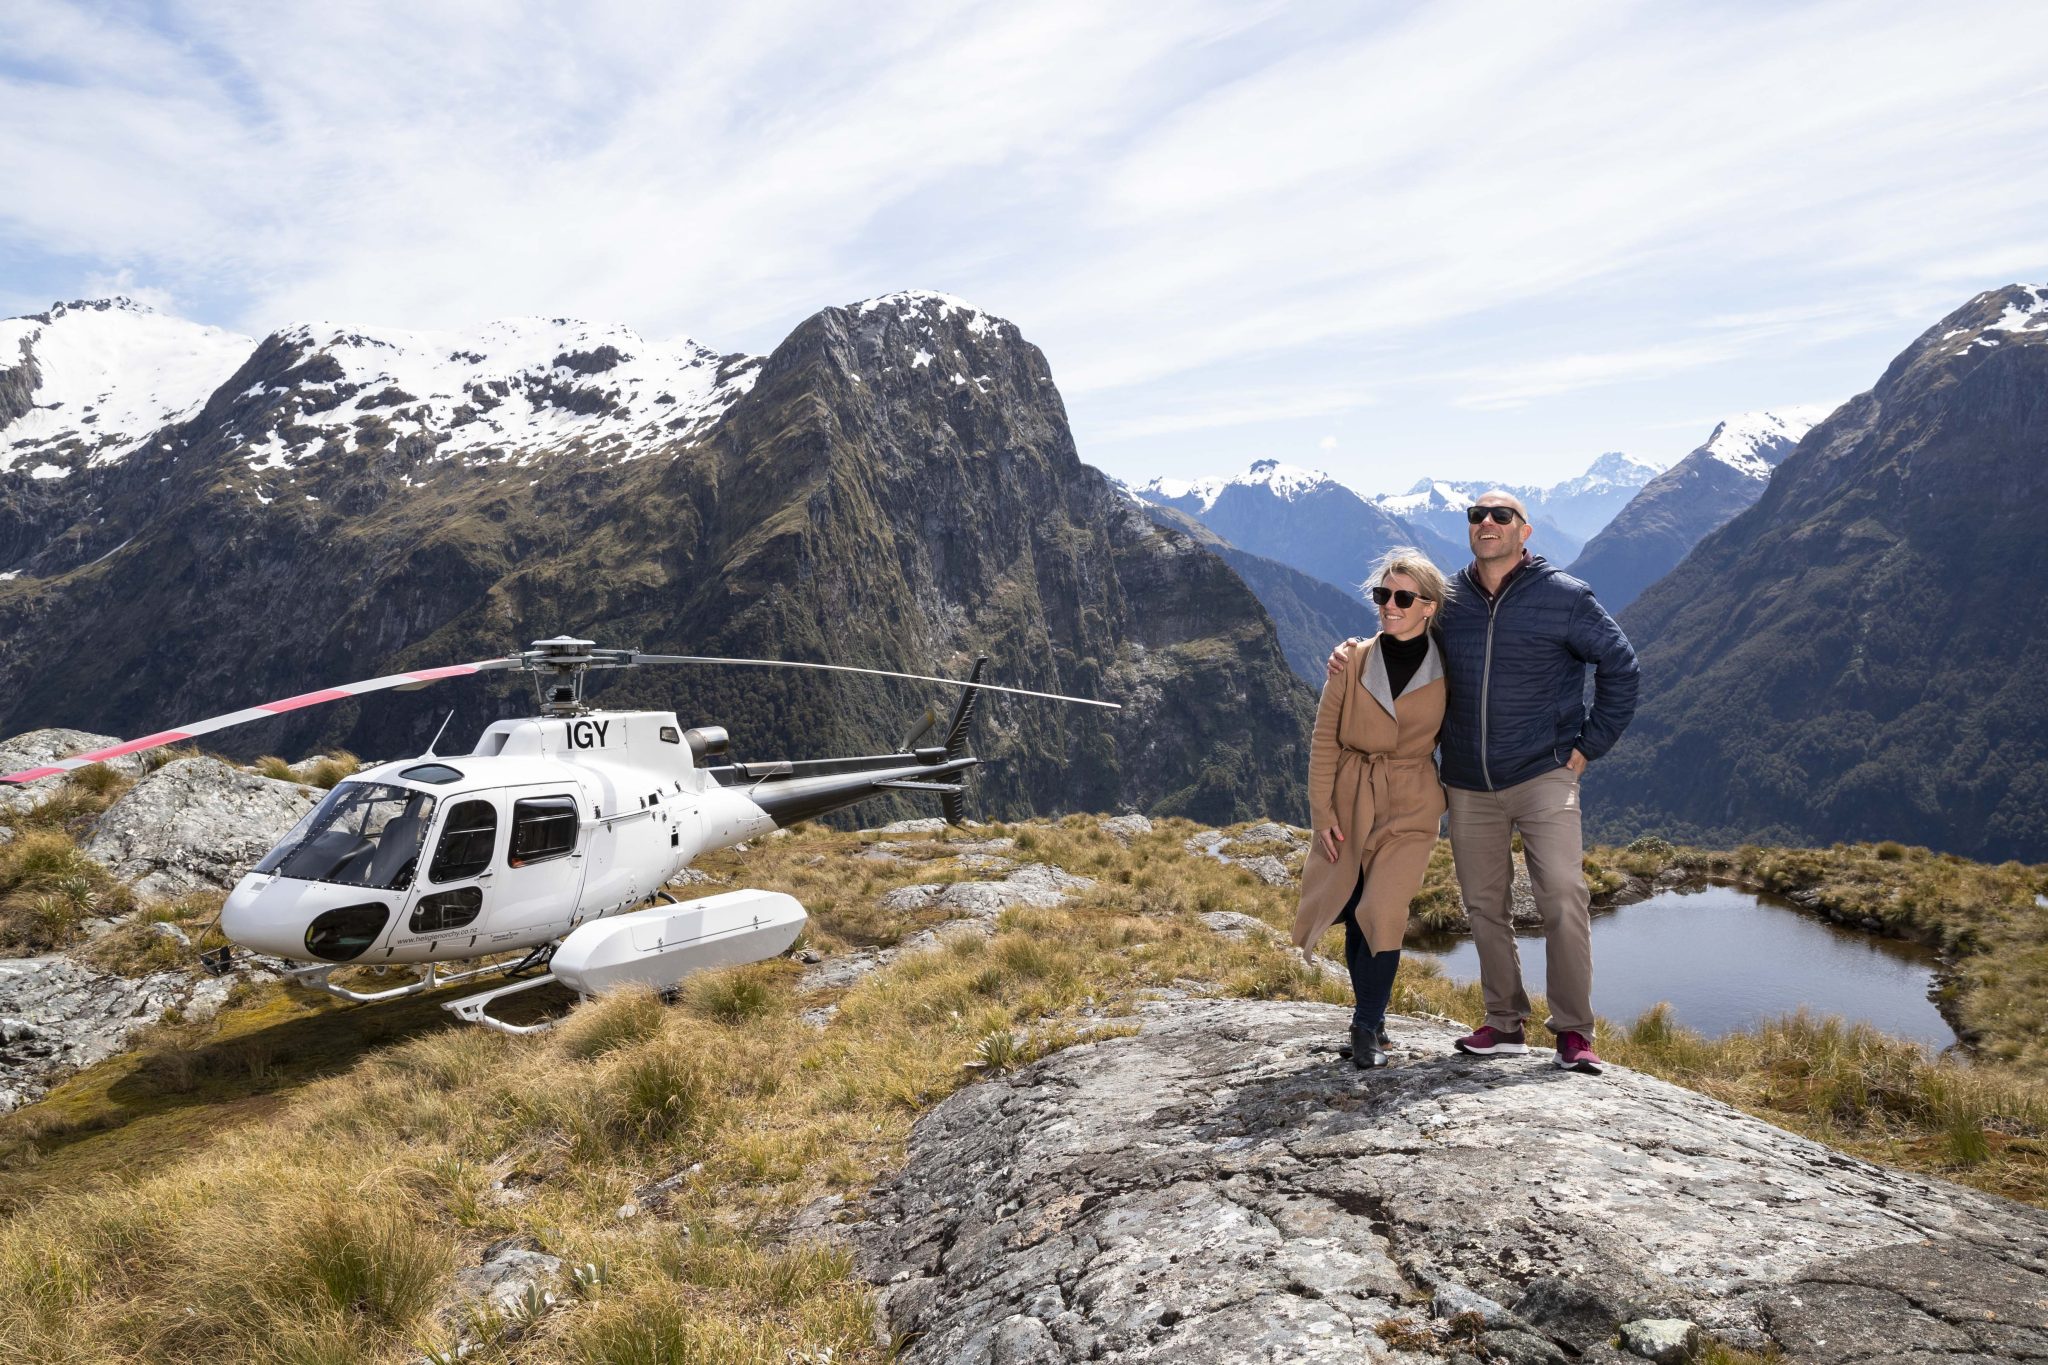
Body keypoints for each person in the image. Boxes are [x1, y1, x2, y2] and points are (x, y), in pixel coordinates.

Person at [1330, 492, 1638, 1074]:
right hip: (1468, 780)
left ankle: (1572, 1031)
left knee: (1563, 898)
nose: (1487, 524)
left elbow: (1621, 665)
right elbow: (1402, 636)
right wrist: (1349, 651)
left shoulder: (1565, 599)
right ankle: (1504, 1023)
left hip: (1544, 772)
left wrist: (1587, 746)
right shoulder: (1447, 601)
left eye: (1501, 516)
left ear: (1526, 532)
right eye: (1477, 516)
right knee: (1483, 905)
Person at [1293, 547, 1450, 1070]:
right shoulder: (1352, 659)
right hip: (1351, 796)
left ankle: (1363, 1028)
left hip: (1413, 800)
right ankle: (1375, 1023)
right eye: (1383, 595)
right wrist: (1322, 816)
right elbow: (1323, 742)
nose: (1390, 605)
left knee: (1383, 908)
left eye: (1403, 597)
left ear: (1429, 606)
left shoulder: (1450, 664)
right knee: (1357, 911)